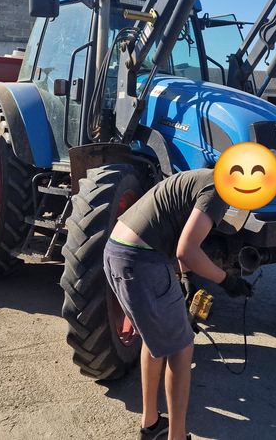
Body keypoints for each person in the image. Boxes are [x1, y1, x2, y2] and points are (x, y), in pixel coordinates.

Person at [104, 168, 254, 440]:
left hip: (116, 251)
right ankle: (176, 436)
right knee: (182, 348)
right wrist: (227, 281)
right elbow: (187, 249)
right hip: (142, 261)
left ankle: (150, 425)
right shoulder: (219, 189)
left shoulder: (201, 177)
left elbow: (182, 237)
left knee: (153, 341)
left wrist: (185, 278)